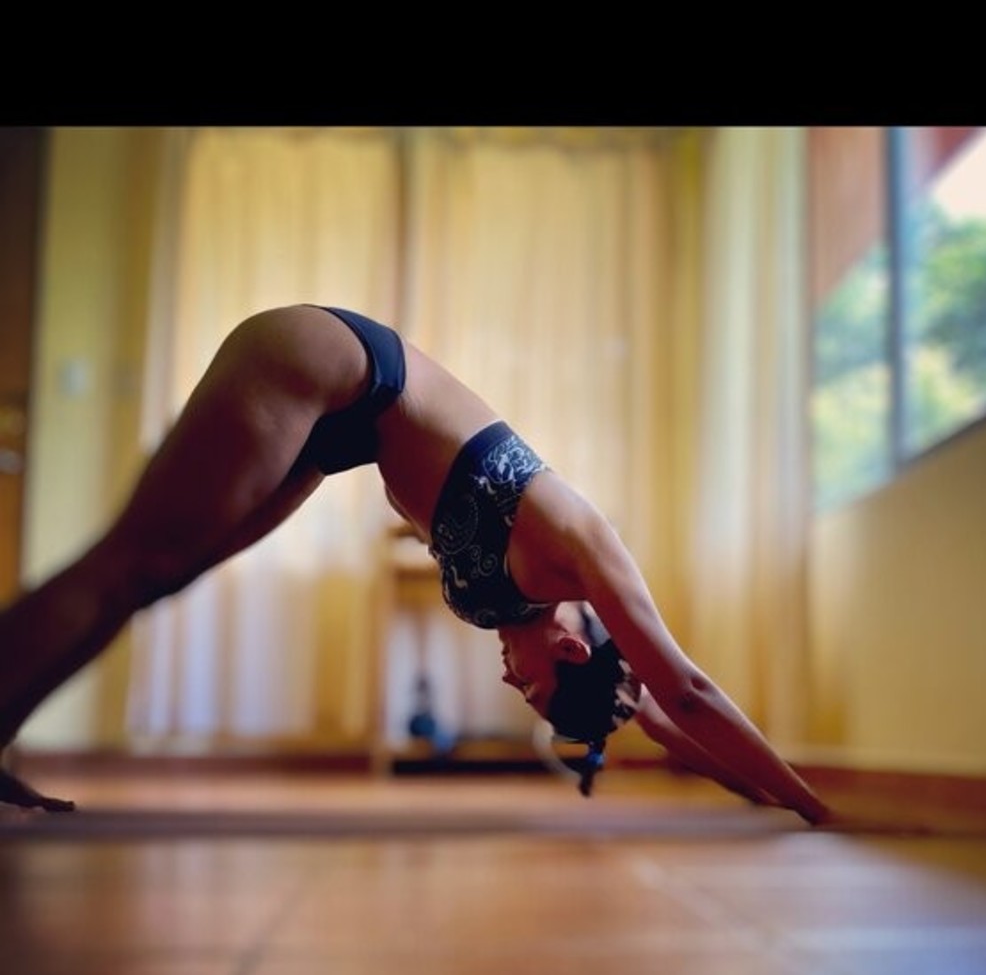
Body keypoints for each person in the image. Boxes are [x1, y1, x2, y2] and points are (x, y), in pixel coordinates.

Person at [0, 303, 866, 826]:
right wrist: (818, 806)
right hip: (339, 366)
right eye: (530, 688)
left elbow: (670, 725)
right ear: (570, 648)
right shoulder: (585, 549)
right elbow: (690, 691)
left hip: (340, 433)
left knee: (159, 577)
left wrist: (765, 799)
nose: (509, 681)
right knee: (131, 563)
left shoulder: (553, 630)